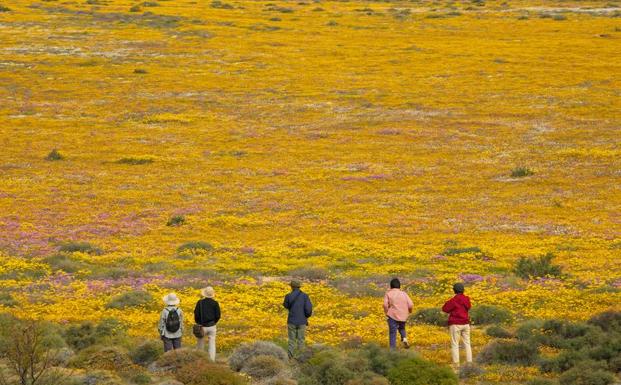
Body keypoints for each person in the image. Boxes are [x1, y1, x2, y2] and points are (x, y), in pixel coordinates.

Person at [442, 282, 472, 370]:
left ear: (454, 290)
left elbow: (445, 309)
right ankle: (469, 364)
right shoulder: (466, 299)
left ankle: (456, 365)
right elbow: (469, 307)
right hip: (466, 324)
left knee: (455, 344)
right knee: (467, 343)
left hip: (455, 324)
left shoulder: (453, 300)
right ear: (463, 290)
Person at [283, 280, 313, 359]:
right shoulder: (305, 296)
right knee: (301, 340)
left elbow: (285, 306)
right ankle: (301, 358)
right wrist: (306, 316)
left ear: (291, 286)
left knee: (291, 340)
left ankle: (290, 358)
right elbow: (308, 309)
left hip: (292, 321)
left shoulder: (288, 296)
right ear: (299, 286)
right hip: (302, 321)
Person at [383, 278, 413, 350]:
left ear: (391, 286)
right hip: (403, 315)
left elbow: (385, 305)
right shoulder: (404, 294)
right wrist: (409, 311)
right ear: (399, 286)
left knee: (393, 332)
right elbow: (411, 304)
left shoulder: (388, 293)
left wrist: (387, 312)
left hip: (392, 315)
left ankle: (392, 350)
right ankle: (404, 339)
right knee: (402, 328)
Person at [194, 286, 220, 362]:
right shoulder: (215, 303)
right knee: (212, 344)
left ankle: (200, 360)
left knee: (200, 344)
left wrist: (198, 322)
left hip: (202, 326)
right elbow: (218, 315)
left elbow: (196, 314)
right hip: (212, 326)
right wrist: (214, 322)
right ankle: (212, 361)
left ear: (204, 294)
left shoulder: (200, 302)